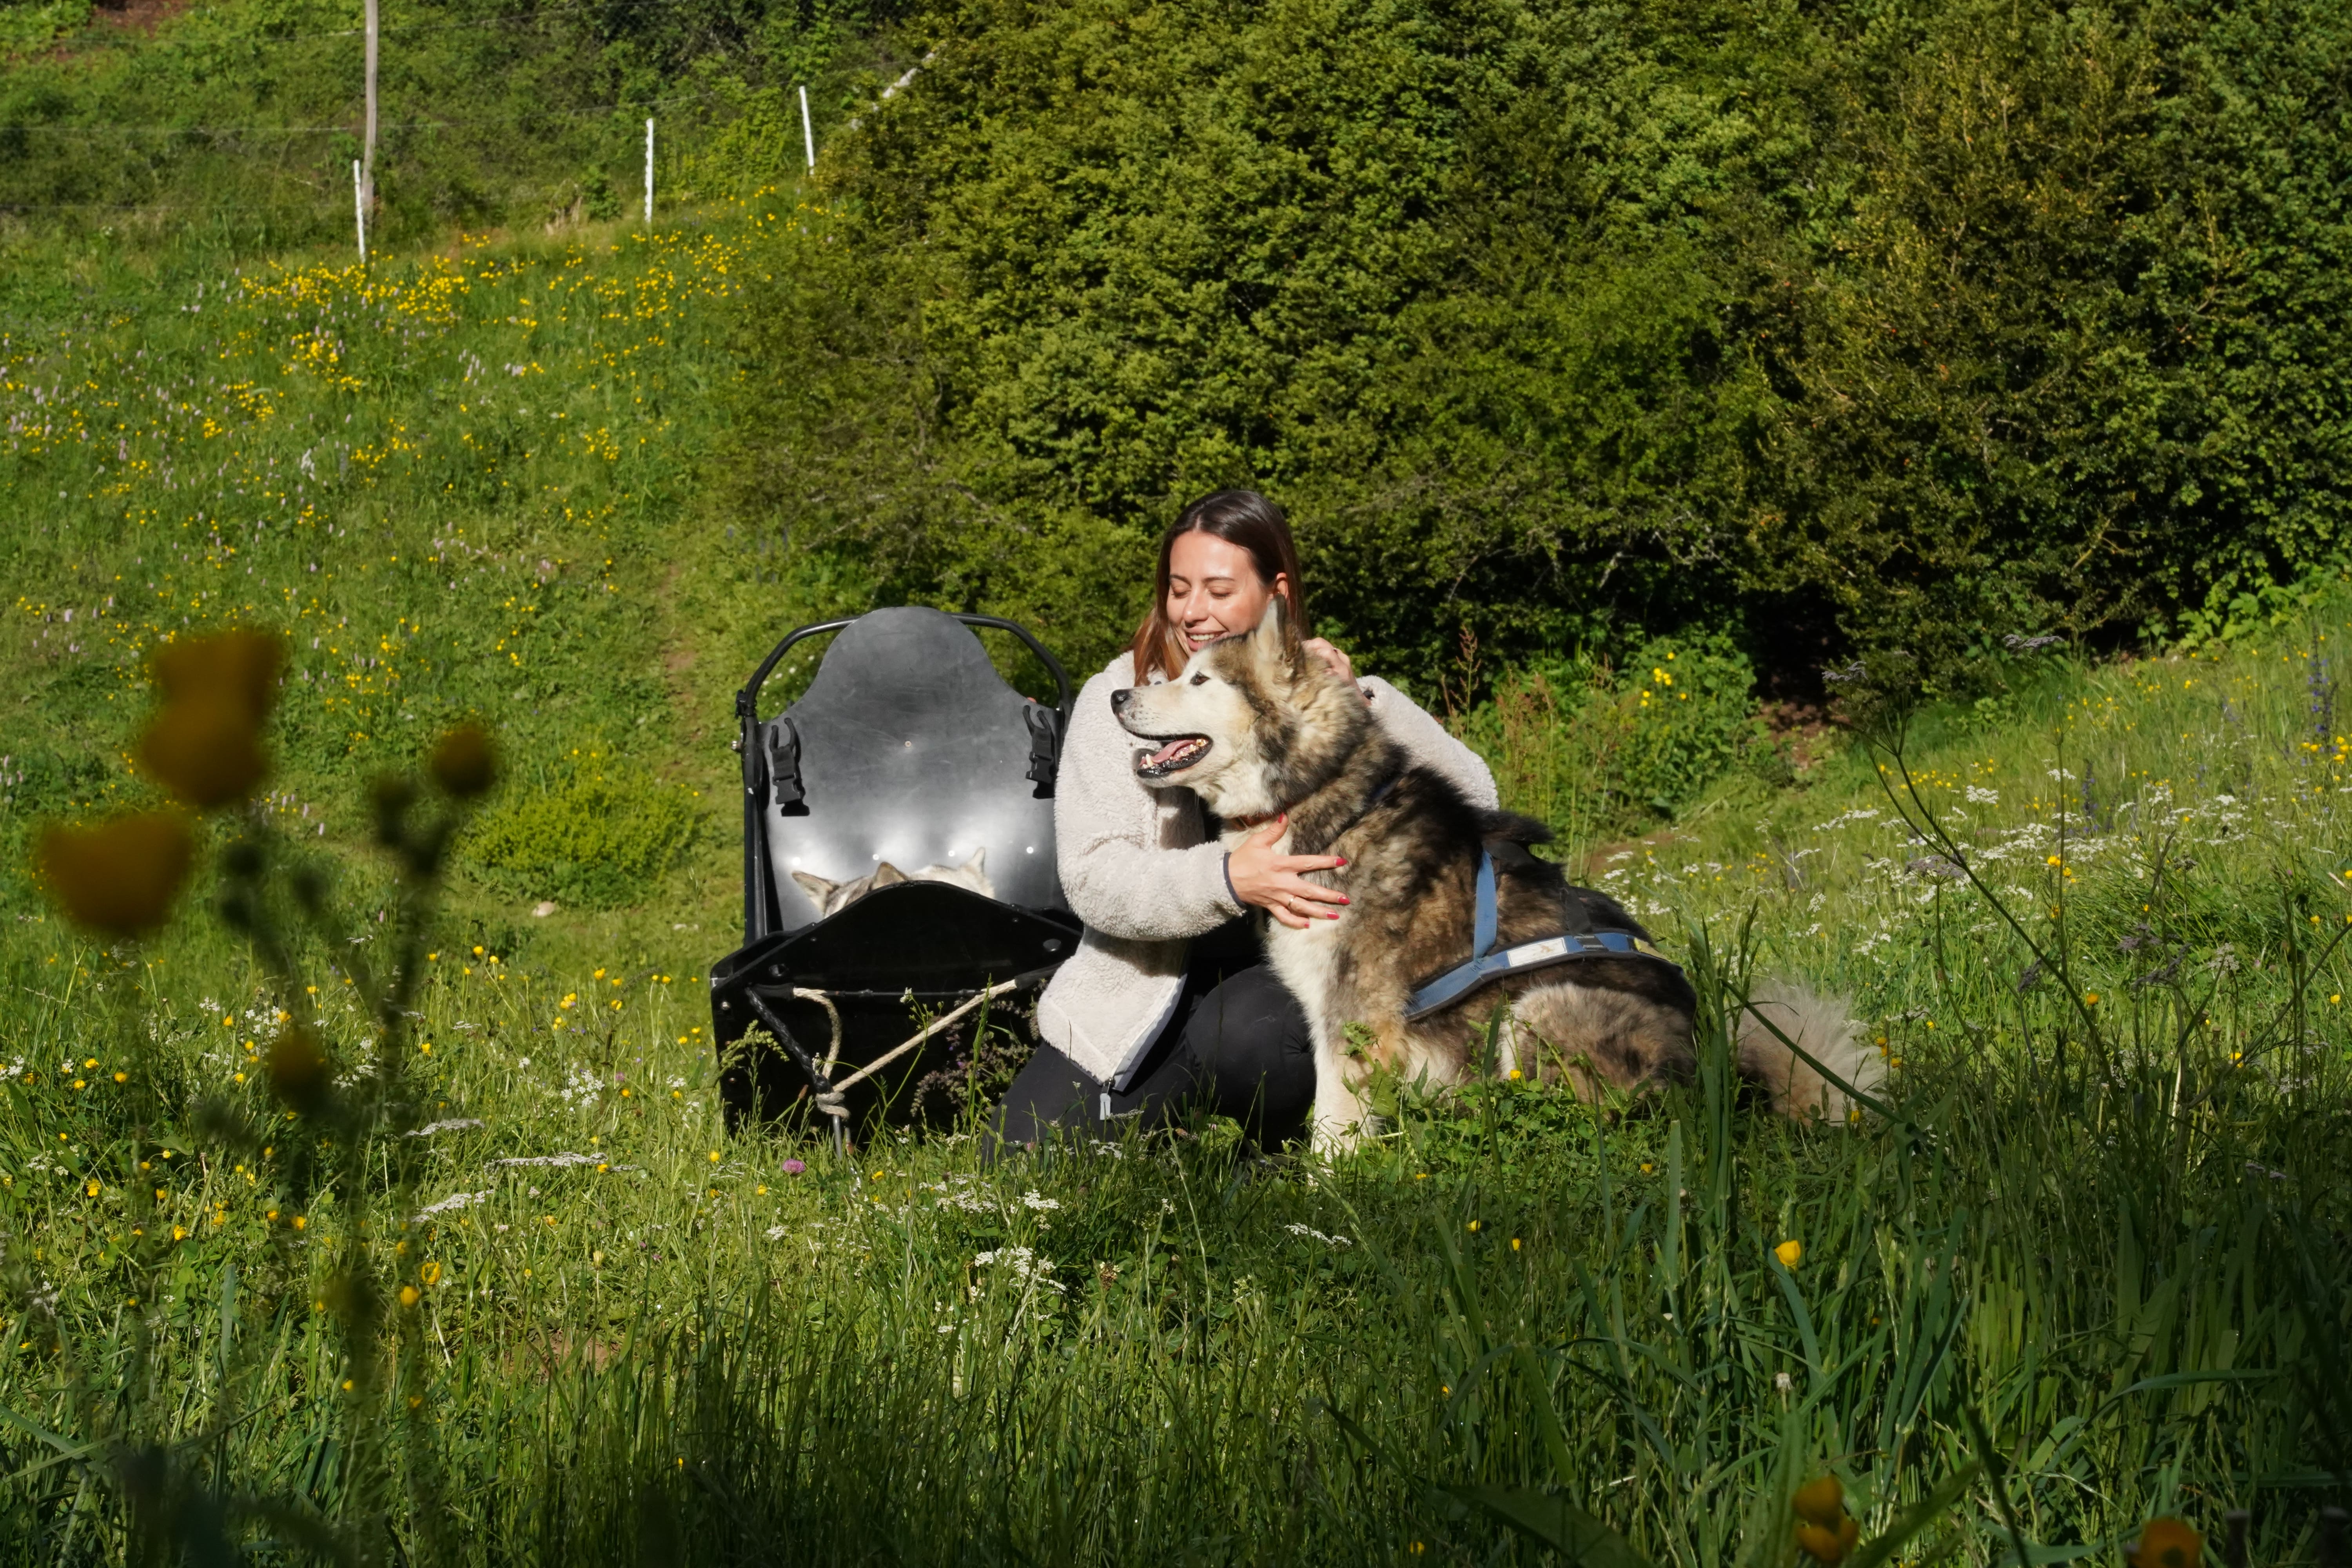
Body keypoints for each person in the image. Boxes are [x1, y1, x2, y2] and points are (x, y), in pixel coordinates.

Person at [991, 490, 1498, 1151]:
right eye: (1178, 589)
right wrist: (1230, 878)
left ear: (1274, 592)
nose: (1193, 611)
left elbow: (1476, 798)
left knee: (1264, 1038)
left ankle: (1278, 1159)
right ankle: (1179, 1135)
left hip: (1272, 1002)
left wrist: (1364, 703)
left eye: (1218, 590)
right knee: (1021, 1155)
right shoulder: (1122, 699)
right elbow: (1093, 880)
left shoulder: (1313, 691)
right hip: (1141, 995)